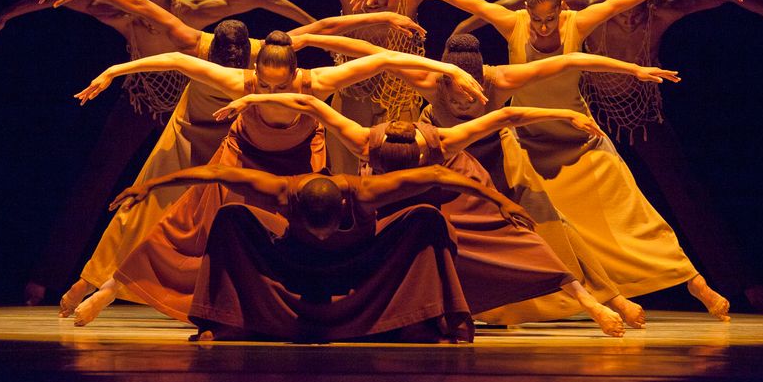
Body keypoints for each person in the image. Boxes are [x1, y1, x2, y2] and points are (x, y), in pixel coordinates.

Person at [350, 0, 744, 321]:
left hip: (571, 139)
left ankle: (687, 283)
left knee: (629, 213)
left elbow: (577, 51)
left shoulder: (510, 72)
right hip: (519, 147)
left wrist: (637, 65)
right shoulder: (477, 49)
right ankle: (544, 301)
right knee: (546, 230)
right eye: (535, 20)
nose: (541, 29)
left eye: (549, 20)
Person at [38, 0, 431, 315]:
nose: (231, 59)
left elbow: (325, 28)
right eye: (225, 54)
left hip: (261, 141)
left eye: (239, 55)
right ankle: (91, 284)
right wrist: (87, 6)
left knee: (291, 217)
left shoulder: (270, 58)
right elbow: (144, 11)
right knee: (146, 211)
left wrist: (384, 20)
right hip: (195, 134)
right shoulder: (201, 46)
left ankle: (268, 297)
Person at [452, 0, 763, 310]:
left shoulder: (660, 11)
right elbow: (509, 3)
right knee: (547, 197)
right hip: (590, 114)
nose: (629, 19)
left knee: (682, 190)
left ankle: (737, 281)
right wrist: (461, 36)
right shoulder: (582, 10)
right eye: (624, 11)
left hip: (640, 114)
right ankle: (544, 289)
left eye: (637, 12)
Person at [70, 31, 486, 326]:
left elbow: (384, 58)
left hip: (299, 168)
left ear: (293, 73)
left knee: (309, 237)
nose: (270, 90)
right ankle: (108, 290)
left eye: (279, 83)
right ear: (256, 71)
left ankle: (297, 306)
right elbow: (177, 60)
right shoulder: (240, 81)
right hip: (242, 156)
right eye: (264, 82)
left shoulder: (317, 82)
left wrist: (448, 69)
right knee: (183, 226)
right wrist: (115, 70)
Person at [0, 0, 316, 306]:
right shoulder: (161, 28)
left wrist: (315, 29)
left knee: (222, 199)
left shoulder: (220, 31)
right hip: (146, 102)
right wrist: (6, 14)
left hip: (211, 119)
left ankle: (232, 289)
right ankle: (58, 277)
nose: (154, 27)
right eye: (149, 19)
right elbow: (74, 1)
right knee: (114, 185)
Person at [218, 92, 631, 337]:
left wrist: (565, 115)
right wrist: (252, 98)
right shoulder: (364, 140)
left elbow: (508, 115)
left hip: (449, 196)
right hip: (395, 208)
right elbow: (308, 101)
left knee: (520, 240)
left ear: (420, 155)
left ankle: (590, 302)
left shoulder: (445, 142)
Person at [198, 0, 537, 173]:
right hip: (353, 91)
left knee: (400, 174)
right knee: (346, 179)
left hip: (401, 94)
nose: (374, 4)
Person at [109, 164, 535, 343]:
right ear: (294, 210)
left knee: (425, 216)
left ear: (343, 210)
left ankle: (431, 318)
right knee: (230, 216)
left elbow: (439, 173)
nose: (324, 236)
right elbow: (215, 172)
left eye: (329, 228)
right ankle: (218, 320)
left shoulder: (365, 192)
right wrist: (150, 184)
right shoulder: (280, 190)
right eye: (317, 230)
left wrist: (502, 200)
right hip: (291, 266)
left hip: (362, 266)